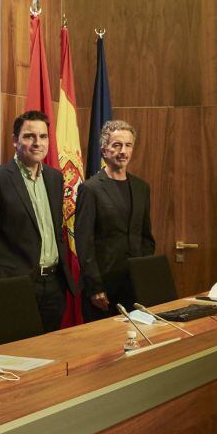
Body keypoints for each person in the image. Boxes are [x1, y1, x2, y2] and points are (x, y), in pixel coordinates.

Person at [0, 110, 74, 332]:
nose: (37, 143)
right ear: (15, 140)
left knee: (49, 355)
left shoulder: (55, 178)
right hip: (15, 286)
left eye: (43, 137)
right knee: (19, 355)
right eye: (29, 136)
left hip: (54, 286)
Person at [74, 120, 155, 322]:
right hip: (103, 290)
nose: (123, 151)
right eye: (116, 145)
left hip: (135, 286)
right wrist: (95, 287)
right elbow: (84, 243)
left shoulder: (141, 188)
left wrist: (143, 273)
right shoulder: (90, 189)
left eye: (128, 145)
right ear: (104, 150)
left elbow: (146, 237)